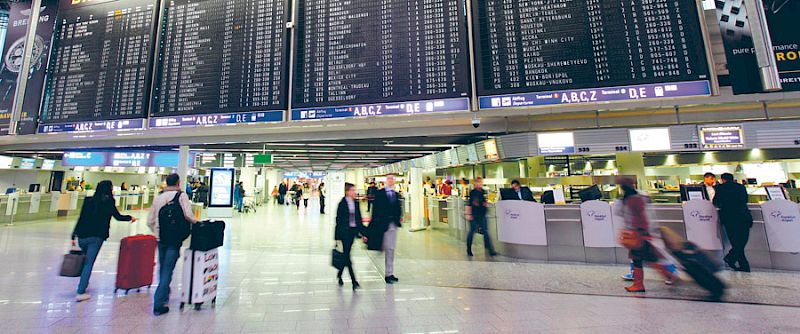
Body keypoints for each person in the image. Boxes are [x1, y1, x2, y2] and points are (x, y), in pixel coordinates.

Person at [71, 180, 136, 302]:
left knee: (85, 261)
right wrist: (130, 218)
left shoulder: (88, 201)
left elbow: (81, 218)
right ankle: (80, 291)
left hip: (82, 236)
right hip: (96, 237)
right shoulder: (108, 202)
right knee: (88, 263)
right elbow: (118, 216)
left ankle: (84, 282)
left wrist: (73, 236)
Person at [147, 174, 198, 316]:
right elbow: (188, 215)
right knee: (168, 270)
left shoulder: (159, 198)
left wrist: (157, 231)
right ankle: (159, 303)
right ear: (178, 182)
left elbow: (149, 221)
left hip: (161, 238)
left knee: (163, 268)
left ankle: (164, 294)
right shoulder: (181, 196)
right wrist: (197, 223)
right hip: (174, 239)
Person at [617, 177, 678, 293]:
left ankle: (640, 284)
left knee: (640, 258)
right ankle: (668, 275)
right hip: (639, 233)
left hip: (638, 234)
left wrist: (640, 231)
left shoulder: (632, 199)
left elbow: (639, 217)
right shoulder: (636, 197)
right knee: (647, 258)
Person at [713, 173, 754, 272]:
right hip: (743, 216)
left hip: (729, 218)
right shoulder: (741, 187)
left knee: (735, 242)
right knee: (742, 241)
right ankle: (742, 264)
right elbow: (745, 199)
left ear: (723, 180)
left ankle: (732, 258)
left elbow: (715, 202)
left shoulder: (720, 188)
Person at [369, 174, 402, 284]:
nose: (390, 180)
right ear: (386, 181)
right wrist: (373, 224)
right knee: (387, 248)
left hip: (393, 224)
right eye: (388, 178)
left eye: (392, 179)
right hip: (383, 224)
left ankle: (390, 273)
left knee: (391, 249)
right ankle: (388, 273)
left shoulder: (396, 194)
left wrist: (398, 219)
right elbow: (376, 210)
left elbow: (398, 209)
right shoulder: (380, 193)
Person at [335, 183, 367, 290]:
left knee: (346, 255)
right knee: (348, 256)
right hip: (344, 233)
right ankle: (354, 281)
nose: (354, 192)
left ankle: (339, 274)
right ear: (347, 191)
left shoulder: (356, 203)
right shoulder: (342, 203)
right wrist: (337, 237)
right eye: (352, 190)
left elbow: (359, 220)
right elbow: (338, 221)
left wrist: (363, 234)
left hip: (352, 233)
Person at [466, 177, 497, 257]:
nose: (480, 184)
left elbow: (482, 201)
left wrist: (485, 203)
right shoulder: (473, 192)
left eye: (481, 182)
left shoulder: (482, 191)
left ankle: (490, 250)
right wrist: (469, 214)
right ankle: (469, 248)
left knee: (486, 232)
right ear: (475, 183)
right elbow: (471, 203)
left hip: (482, 214)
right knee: (472, 231)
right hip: (474, 214)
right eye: (479, 182)